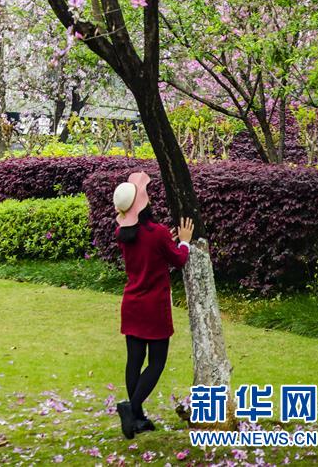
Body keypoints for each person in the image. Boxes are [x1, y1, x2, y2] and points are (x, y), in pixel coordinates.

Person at [113, 172, 194, 439]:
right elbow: (179, 259)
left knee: (134, 362)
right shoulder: (158, 233)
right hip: (154, 307)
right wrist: (182, 241)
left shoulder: (123, 232)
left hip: (132, 304)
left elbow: (149, 246)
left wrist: (166, 241)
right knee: (156, 363)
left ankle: (137, 419)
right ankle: (131, 407)